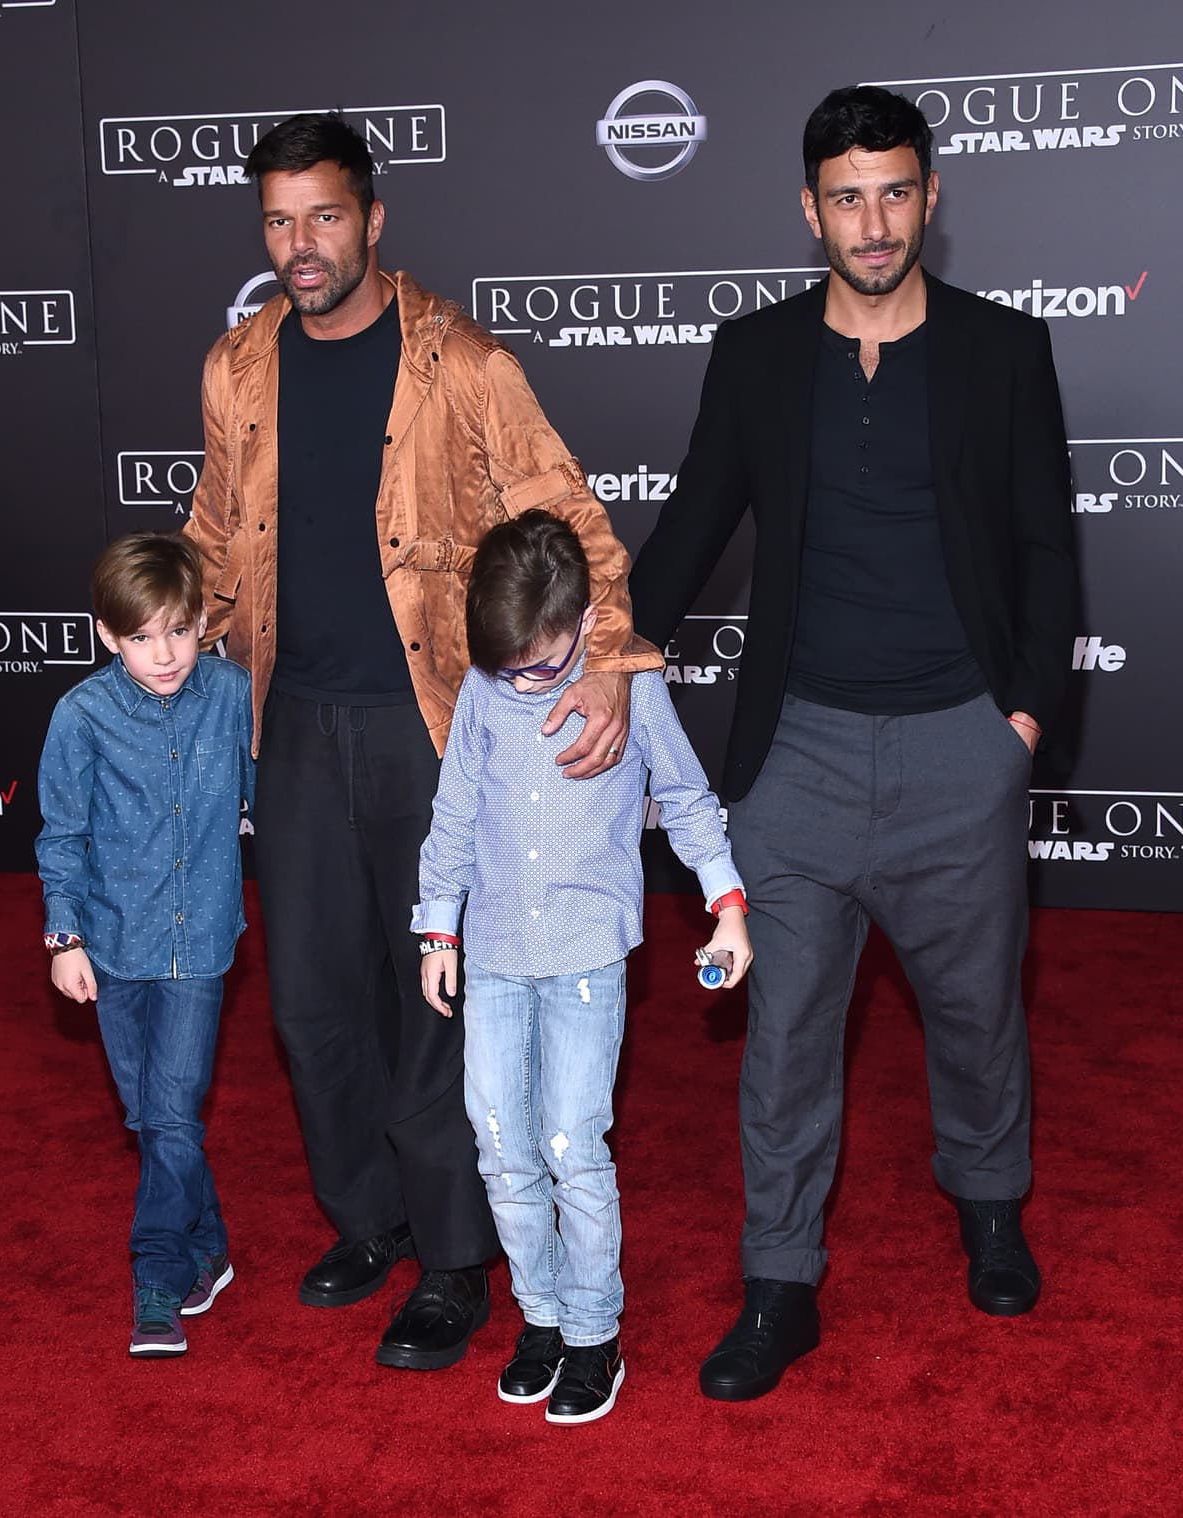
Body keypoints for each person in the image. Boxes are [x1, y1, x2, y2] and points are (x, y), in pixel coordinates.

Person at [183, 113, 661, 1371]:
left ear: (374, 220)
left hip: (435, 728)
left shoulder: (461, 363)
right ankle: (368, 1219)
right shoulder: (237, 368)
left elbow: (572, 519)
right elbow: (215, 541)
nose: (302, 244)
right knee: (313, 1007)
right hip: (288, 724)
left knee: (432, 995)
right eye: (279, 221)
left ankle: (454, 1260)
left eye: (325, 216)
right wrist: (158, 635)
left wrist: (606, 658)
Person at [629, 85, 1078, 1402]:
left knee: (978, 1011)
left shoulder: (1004, 350)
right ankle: (779, 1280)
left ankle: (990, 1202)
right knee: (782, 1034)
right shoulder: (757, 355)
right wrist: (605, 665)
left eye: (895, 192)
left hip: (961, 742)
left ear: (931, 199)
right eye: (847, 195)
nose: (872, 221)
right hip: (800, 755)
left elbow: (1050, 551)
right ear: (807, 208)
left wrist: (1024, 725)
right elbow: (692, 528)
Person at [412, 510, 752, 1422]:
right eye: (506, 664)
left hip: (586, 955)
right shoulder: (485, 694)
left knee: (571, 1143)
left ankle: (596, 1331)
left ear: (584, 624)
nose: (524, 681)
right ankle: (544, 1316)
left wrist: (728, 907)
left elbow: (685, 799)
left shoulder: (632, 687)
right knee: (499, 1142)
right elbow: (452, 818)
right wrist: (438, 928)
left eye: (542, 662)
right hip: (491, 952)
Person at [35, 533, 255, 1358]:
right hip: (113, 943)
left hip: (201, 940)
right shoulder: (81, 716)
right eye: (140, 637)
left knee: (168, 1112)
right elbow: (62, 835)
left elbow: (270, 796)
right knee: (153, 1116)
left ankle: (156, 1276)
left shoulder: (232, 695)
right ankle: (210, 1243)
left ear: (202, 620)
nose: (164, 655)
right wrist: (65, 938)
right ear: (106, 635)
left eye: (178, 631)